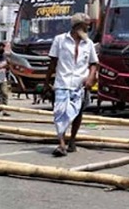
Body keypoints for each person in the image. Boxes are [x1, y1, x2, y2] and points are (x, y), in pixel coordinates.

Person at [45, 13, 98, 157]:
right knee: (59, 113)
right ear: (78, 25)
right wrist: (47, 81)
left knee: (78, 112)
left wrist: (90, 78)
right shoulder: (60, 40)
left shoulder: (89, 44)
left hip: (79, 83)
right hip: (62, 82)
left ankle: (72, 140)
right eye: (87, 24)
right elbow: (53, 63)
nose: (88, 27)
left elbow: (93, 64)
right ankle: (61, 143)